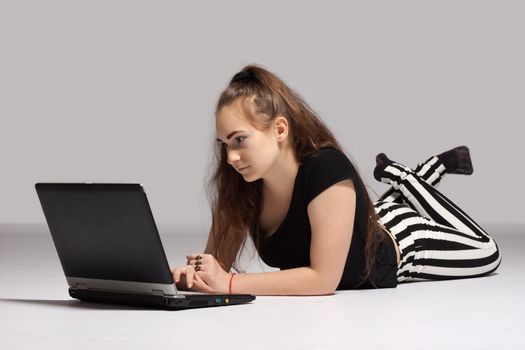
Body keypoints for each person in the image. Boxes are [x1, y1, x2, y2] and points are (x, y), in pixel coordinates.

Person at [170, 64, 502, 295]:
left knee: (487, 251)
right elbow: (214, 267)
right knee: (372, 209)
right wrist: (194, 275)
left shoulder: (328, 169)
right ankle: (410, 176)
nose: (230, 158)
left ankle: (405, 175)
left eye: (239, 139)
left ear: (280, 129)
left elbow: (322, 280)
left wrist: (228, 284)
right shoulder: (241, 189)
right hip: (357, 217)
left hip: (403, 241)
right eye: (225, 144)